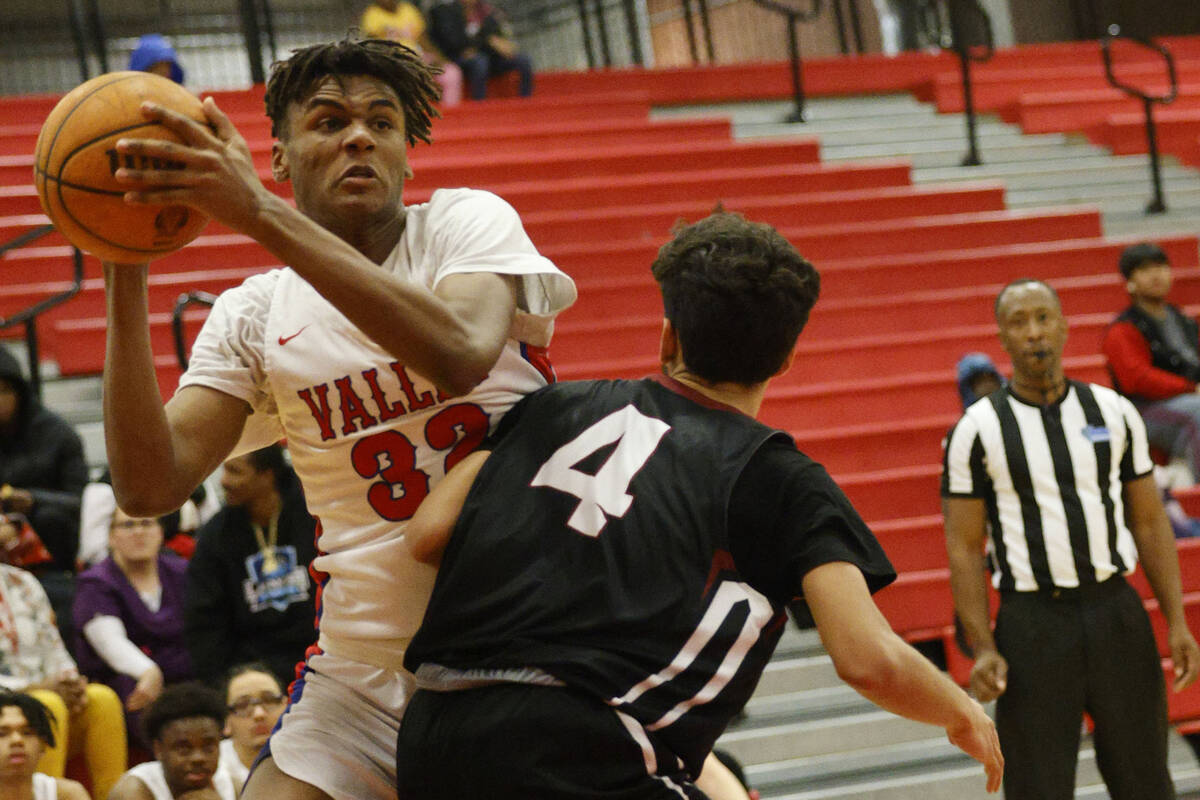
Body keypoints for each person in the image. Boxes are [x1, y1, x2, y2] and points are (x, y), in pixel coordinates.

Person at [103, 36, 575, 800]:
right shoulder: (253, 315)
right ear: (281, 155)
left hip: (527, 649)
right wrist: (122, 260)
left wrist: (255, 211)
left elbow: (458, 351)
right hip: (363, 672)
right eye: (327, 121)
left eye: (382, 122)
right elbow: (149, 483)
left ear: (407, 154)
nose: (358, 135)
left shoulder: (463, 227)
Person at [395, 212, 1002, 798]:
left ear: (668, 338)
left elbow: (428, 533)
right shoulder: (781, 479)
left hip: (433, 734)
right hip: (578, 752)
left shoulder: (555, 407)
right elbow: (867, 659)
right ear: (786, 360)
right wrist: (959, 711)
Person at [943, 277, 1200, 800]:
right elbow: (965, 549)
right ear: (1003, 337)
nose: (1034, 332)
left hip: (1116, 613)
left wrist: (1176, 620)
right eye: (1019, 323)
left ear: (1063, 326)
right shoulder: (976, 429)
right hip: (1032, 623)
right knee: (1038, 786)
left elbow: (1150, 523)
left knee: (1146, 779)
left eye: (1043, 318)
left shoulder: (1113, 411)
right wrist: (984, 645)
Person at [184, 447, 317, 690]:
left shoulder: (313, 516)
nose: (224, 481)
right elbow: (204, 620)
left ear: (267, 474)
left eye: (235, 471)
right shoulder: (216, 536)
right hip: (250, 672)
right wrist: (224, 684)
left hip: (322, 657)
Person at [0, 561, 125, 799]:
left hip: (40, 690)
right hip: (18, 698)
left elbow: (53, 646)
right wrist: (36, 689)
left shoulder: (22, 580)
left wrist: (71, 682)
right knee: (47, 704)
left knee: (102, 699)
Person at [72, 507, 192, 748]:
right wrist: (148, 672)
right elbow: (109, 642)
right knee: (138, 692)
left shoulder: (182, 572)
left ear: (160, 532)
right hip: (128, 682)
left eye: (147, 523)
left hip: (186, 676)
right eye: (127, 525)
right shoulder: (96, 582)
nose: (138, 532)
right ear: (111, 536)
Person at [0, 349, 88, 647]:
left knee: (54, 516)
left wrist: (33, 501)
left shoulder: (58, 434)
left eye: (2, 391)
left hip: (53, 549)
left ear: (18, 393)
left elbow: (83, 501)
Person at [1102, 242, 1200, 484]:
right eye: (1145, 269)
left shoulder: (1182, 319)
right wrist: (1190, 388)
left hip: (1186, 399)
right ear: (1130, 280)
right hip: (1142, 409)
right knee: (1198, 413)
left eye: (1161, 267)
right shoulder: (1122, 329)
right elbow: (1136, 380)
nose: (1156, 275)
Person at [108, 683, 236, 800]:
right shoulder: (134, 789)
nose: (198, 758)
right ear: (158, 749)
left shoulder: (231, 785)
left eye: (208, 747)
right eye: (184, 750)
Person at [360, 0, 463, 107]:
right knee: (409, 76)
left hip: (419, 58)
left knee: (451, 72)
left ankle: (450, 114)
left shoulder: (408, 9)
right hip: (394, 61)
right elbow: (372, 45)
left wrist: (439, 58)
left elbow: (423, 39)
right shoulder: (372, 14)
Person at [428, 0, 533, 100]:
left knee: (523, 60)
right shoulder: (446, 11)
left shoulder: (486, 12)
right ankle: (479, 102)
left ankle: (525, 100)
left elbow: (495, 35)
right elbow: (452, 41)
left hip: (489, 55)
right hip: (458, 57)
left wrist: (501, 44)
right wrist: (486, 41)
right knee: (480, 62)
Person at [0, 692, 88, 800]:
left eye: (27, 732)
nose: (17, 740)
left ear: (43, 744)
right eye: (2, 734)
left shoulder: (67, 794)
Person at [218, 664, 287, 792]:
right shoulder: (213, 770)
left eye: (269, 700)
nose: (259, 714)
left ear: (286, 707)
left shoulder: (309, 759)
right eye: (243, 705)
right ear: (226, 721)